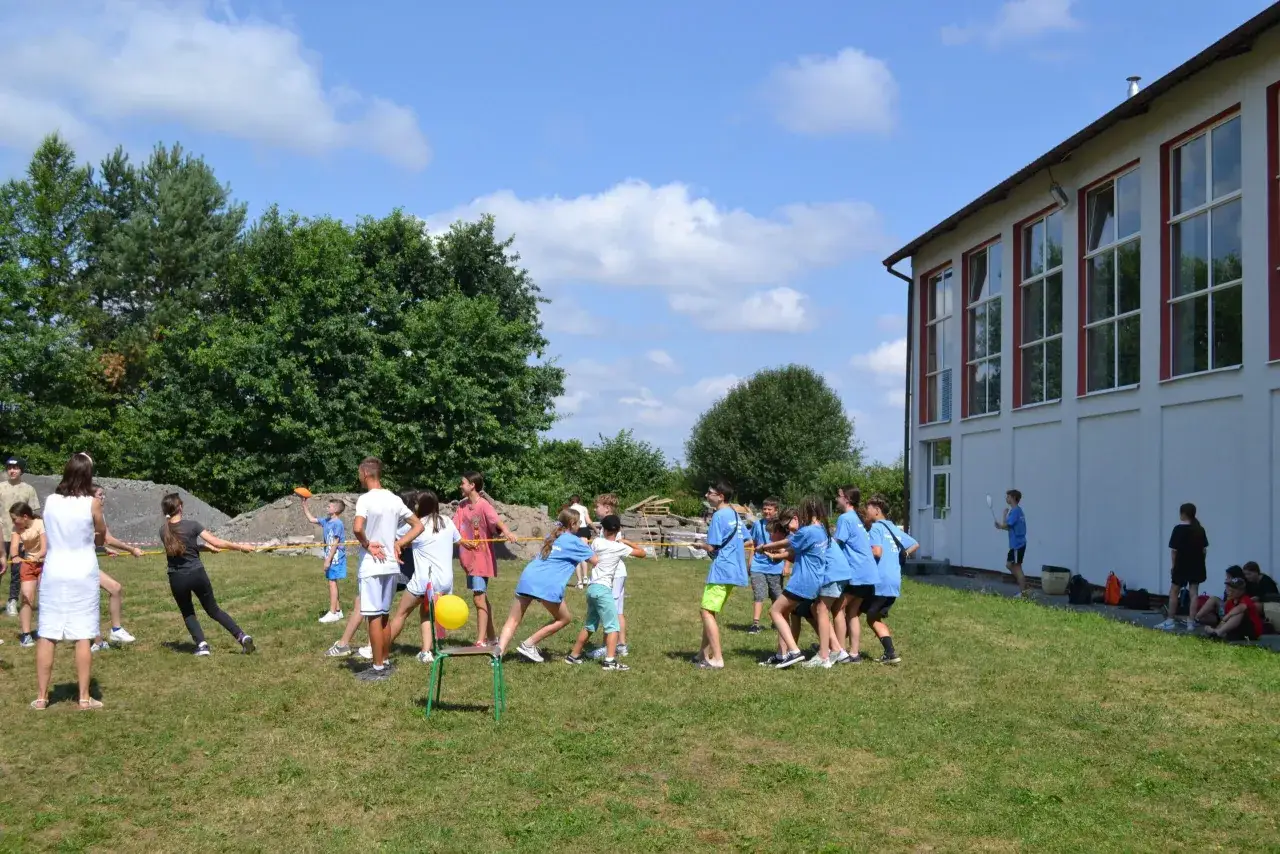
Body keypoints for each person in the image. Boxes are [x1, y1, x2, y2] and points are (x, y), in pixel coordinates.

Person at [31, 453, 106, 710]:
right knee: (83, 634)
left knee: (47, 633)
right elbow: (101, 535)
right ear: (88, 474)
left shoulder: (50, 501)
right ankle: (84, 698)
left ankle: (42, 697)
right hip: (82, 569)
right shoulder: (92, 503)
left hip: (54, 570)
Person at [351, 458, 423, 681]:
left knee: (372, 616)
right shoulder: (394, 499)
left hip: (372, 565)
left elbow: (357, 528)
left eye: (358, 473)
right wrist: (400, 544)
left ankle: (378, 666)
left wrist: (366, 543)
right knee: (383, 615)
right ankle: (385, 659)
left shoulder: (365, 499)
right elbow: (418, 525)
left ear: (365, 473)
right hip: (391, 566)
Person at [160, 493, 258, 655]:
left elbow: (180, 547)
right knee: (213, 610)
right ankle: (241, 636)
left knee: (188, 612)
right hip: (197, 574)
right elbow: (217, 542)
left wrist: (202, 547)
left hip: (177, 578)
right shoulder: (192, 525)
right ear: (180, 507)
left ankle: (202, 646)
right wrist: (241, 547)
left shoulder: (163, 530)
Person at [496, 508, 596, 662]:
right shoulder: (576, 541)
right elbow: (596, 561)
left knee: (513, 620)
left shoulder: (552, 536)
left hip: (528, 577)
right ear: (572, 523)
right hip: (547, 583)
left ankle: (497, 656)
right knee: (564, 618)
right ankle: (529, 644)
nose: (581, 526)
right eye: (579, 523)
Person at [381, 490, 461, 664]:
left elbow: (392, 537)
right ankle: (426, 652)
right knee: (426, 614)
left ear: (421, 506)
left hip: (424, 581)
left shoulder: (415, 526)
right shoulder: (447, 521)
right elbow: (458, 540)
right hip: (445, 582)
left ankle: (381, 652)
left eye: (416, 503)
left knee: (401, 614)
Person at [757, 498, 831, 669]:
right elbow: (793, 549)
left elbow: (787, 542)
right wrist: (776, 554)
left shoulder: (808, 531)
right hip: (813, 580)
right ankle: (781, 655)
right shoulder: (822, 530)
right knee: (783, 613)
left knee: (774, 611)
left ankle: (794, 651)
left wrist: (765, 547)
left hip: (802, 580)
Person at [566, 514, 645, 670]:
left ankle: (573, 655)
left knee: (590, 625)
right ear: (618, 530)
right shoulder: (619, 547)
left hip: (592, 588)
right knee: (613, 626)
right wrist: (625, 542)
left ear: (603, 529)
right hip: (604, 590)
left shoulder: (596, 542)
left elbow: (592, 554)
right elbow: (642, 553)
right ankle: (610, 661)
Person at [688, 482, 748, 670]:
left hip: (722, 570)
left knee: (705, 611)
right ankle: (702, 654)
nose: (706, 496)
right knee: (710, 611)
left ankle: (718, 659)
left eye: (710, 493)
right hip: (735, 569)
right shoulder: (735, 514)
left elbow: (712, 546)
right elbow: (747, 539)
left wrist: (700, 545)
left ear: (721, 496)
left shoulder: (718, 516)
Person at [454, 471, 517, 647]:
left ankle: (481, 640)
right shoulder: (462, 507)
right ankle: (491, 638)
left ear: (472, 485)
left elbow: (497, 522)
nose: (461, 486)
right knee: (480, 597)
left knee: (478, 597)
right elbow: (453, 528)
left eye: (463, 483)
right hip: (468, 559)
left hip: (481, 558)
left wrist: (507, 533)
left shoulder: (484, 505)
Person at [864, 496, 918, 665]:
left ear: (877, 510)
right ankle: (890, 653)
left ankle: (834, 648)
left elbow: (877, 552)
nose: (866, 512)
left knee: (851, 610)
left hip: (879, 581)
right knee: (872, 616)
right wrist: (905, 554)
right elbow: (915, 544)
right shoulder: (893, 528)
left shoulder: (876, 528)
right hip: (894, 581)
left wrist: (861, 554)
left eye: (868, 508)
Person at [88, 483, 141, 652]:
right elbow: (109, 539)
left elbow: (101, 539)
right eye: (100, 495)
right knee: (113, 589)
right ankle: (114, 631)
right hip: (81, 563)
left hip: (88, 560)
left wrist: (102, 548)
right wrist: (132, 550)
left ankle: (99, 641)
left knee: (97, 597)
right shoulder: (89, 511)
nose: (103, 498)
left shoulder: (98, 514)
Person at [833, 487, 877, 664]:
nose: (836, 499)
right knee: (852, 612)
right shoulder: (857, 519)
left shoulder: (845, 518)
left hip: (856, 573)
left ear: (847, 499)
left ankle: (839, 651)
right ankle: (854, 653)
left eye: (839, 496)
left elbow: (836, 544)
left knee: (837, 608)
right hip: (868, 573)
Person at [586, 493, 632, 659]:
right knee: (617, 610)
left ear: (606, 507)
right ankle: (621, 645)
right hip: (618, 572)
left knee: (609, 611)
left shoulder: (610, 524)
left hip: (613, 574)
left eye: (597, 506)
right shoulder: (613, 523)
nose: (595, 509)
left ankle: (607, 647)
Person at [1158, 502, 1208, 632]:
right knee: (1194, 593)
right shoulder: (1200, 529)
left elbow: (1174, 551)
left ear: (1182, 514)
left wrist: (1173, 567)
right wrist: (1200, 563)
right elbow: (1204, 551)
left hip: (1181, 565)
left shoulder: (1178, 529)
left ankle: (1170, 620)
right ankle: (1191, 622)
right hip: (1197, 565)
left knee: (1174, 591)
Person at [1, 455, 40, 617]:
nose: (12, 471)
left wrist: (31, 535)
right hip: (2, 535)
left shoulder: (28, 489)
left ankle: (12, 601)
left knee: (17, 571)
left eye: (15, 468)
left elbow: (34, 515)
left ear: (21, 470)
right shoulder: (1, 487)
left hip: (21, 536)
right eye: (10, 468)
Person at [301, 495, 347, 623]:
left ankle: (332, 612)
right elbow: (311, 519)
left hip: (336, 557)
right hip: (330, 556)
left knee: (332, 583)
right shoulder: (326, 521)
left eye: (330, 506)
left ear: (336, 510)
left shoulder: (338, 524)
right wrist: (304, 506)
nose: (327, 507)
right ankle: (338, 611)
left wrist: (328, 560)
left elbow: (335, 543)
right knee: (332, 582)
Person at [9, 501, 46, 648]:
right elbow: (13, 547)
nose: (13, 522)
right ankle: (26, 635)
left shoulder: (40, 523)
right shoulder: (17, 528)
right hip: (29, 564)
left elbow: (45, 547)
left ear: (25, 517)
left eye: (14, 519)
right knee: (27, 597)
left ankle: (47, 630)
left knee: (46, 596)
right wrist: (15, 556)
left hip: (45, 563)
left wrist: (40, 555)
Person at [746, 498, 784, 635]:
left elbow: (787, 547)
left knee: (776, 594)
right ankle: (755, 624)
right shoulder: (757, 525)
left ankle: (777, 620)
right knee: (758, 593)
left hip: (776, 566)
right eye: (765, 509)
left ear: (776, 511)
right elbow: (753, 544)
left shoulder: (781, 526)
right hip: (758, 564)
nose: (766, 511)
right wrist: (750, 562)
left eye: (770, 509)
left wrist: (786, 566)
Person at [1203, 576, 1265, 642]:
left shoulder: (1246, 599)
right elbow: (1226, 620)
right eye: (1230, 588)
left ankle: (1219, 632)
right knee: (1209, 627)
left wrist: (1225, 619)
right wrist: (1218, 628)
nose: (1230, 591)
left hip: (1252, 633)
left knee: (1239, 613)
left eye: (1234, 589)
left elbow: (1240, 608)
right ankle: (1217, 632)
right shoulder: (1229, 603)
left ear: (1242, 591)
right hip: (1237, 631)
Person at [994, 489, 1028, 596]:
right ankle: (1022, 584)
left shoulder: (1016, 511)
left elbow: (1006, 525)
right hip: (1016, 544)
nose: (1006, 498)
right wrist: (1001, 524)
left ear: (1013, 498)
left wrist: (1002, 521)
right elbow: (1009, 527)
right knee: (1009, 565)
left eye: (1008, 496)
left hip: (1018, 545)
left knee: (1017, 568)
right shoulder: (1017, 511)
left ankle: (1024, 593)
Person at [568, 494, 593, 589]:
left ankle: (579, 582)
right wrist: (595, 529)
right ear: (579, 501)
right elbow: (588, 520)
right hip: (584, 530)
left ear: (571, 501)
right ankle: (585, 577)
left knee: (576, 556)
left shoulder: (569, 509)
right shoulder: (583, 508)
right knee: (584, 554)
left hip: (574, 530)